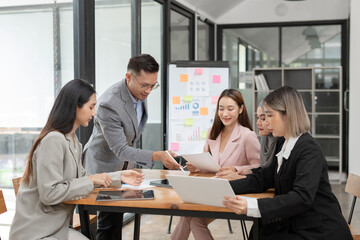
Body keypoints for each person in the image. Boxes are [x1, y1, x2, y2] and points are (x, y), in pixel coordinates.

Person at [9, 79, 144, 240]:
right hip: (37, 232)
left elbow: (82, 179)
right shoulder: (53, 140)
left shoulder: (73, 142)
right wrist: (93, 179)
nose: (94, 113)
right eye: (91, 107)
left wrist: (118, 176)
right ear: (75, 107)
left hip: (57, 228)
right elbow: (50, 194)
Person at [223, 86, 352, 240]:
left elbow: (301, 197)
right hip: (297, 223)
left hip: (318, 231)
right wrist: (223, 188)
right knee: (259, 230)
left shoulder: (308, 150)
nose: (267, 122)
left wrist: (252, 206)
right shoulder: (285, 145)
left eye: (270, 116)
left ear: (287, 115)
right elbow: (263, 178)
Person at [82, 54, 181, 239]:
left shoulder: (139, 91)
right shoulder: (109, 103)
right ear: (129, 77)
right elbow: (120, 149)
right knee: (108, 223)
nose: (149, 91)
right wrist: (158, 156)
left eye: (153, 85)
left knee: (117, 219)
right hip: (103, 165)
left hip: (124, 166)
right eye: (145, 85)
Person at [171, 89, 260, 240]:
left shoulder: (247, 135)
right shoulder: (213, 132)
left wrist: (236, 169)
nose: (225, 113)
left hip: (233, 191)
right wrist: (196, 166)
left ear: (241, 109)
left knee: (194, 219)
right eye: (221, 108)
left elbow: (259, 167)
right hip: (211, 188)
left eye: (230, 109)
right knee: (189, 215)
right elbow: (209, 162)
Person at [216, 101, 285, 180]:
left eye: (263, 118)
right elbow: (265, 171)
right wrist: (250, 171)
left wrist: (241, 177)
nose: (258, 122)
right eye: (258, 118)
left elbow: (269, 177)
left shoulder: (282, 143)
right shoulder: (266, 140)